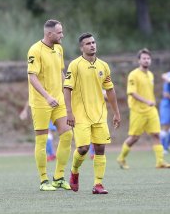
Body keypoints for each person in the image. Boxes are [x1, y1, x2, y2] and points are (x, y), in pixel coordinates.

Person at [64, 33, 121, 194]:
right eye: (88, 43)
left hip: (100, 114)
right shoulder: (74, 65)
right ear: (81, 47)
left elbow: (110, 90)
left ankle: (98, 184)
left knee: (100, 148)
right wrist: (69, 112)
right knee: (83, 148)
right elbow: (67, 88)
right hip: (80, 114)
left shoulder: (103, 65)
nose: (92, 45)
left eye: (93, 42)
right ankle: (74, 171)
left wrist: (116, 113)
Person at [27, 19, 73, 191]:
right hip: (41, 102)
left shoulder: (59, 49)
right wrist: (46, 97)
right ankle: (43, 180)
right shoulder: (35, 50)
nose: (62, 35)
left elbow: (61, 72)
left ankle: (59, 177)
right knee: (42, 140)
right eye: (59, 32)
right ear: (49, 34)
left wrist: (68, 91)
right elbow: (32, 77)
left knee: (67, 135)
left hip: (59, 100)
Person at [117, 48, 170, 169]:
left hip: (151, 110)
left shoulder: (150, 74)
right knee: (134, 137)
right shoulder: (133, 74)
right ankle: (121, 158)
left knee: (156, 134)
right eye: (144, 58)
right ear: (139, 60)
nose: (146, 60)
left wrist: (149, 102)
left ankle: (160, 161)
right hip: (138, 110)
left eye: (148, 58)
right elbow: (131, 92)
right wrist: (147, 101)